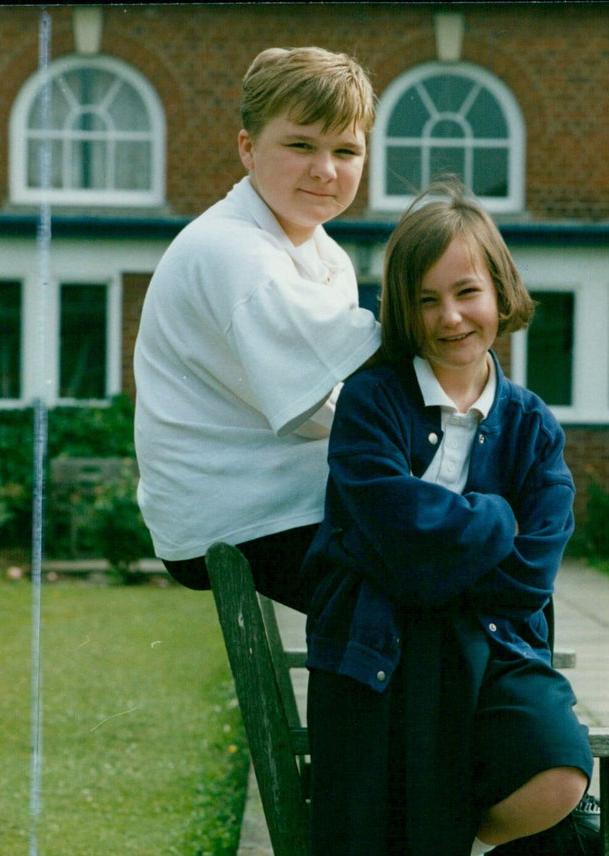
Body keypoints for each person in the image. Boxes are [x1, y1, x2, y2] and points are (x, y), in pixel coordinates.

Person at [301, 181, 598, 856]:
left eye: (464, 291)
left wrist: (454, 539)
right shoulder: (372, 401)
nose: (448, 316)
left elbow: (527, 574)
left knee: (561, 772)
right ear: (402, 307)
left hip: (495, 652)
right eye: (425, 299)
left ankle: (476, 853)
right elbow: (383, 530)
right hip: (384, 668)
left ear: (498, 290)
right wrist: (489, 522)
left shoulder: (530, 424)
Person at [134, 46, 381, 612]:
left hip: (281, 490)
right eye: (301, 145)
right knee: (417, 599)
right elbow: (377, 367)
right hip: (234, 513)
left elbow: (334, 405)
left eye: (346, 150)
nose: (326, 169)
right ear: (248, 147)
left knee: (462, 565)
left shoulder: (327, 257)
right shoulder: (232, 248)